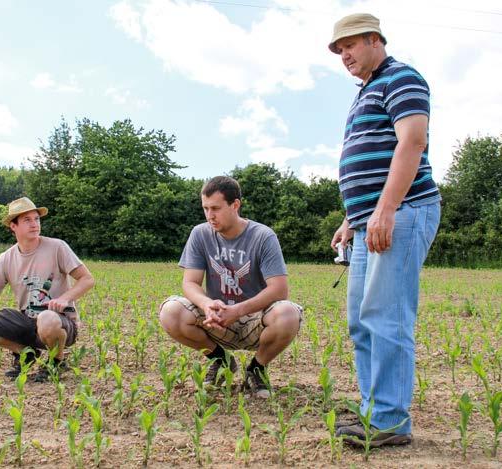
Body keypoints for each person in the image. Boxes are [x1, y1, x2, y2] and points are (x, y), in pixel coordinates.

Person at [327, 13, 441, 447]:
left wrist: (386, 208)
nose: (345, 56)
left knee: (386, 317)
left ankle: (390, 422)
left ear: (375, 40)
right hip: (370, 220)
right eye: (339, 51)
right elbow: (368, 161)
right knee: (361, 321)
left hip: (405, 209)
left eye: (351, 45)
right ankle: (373, 409)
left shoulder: (402, 77)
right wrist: (352, 219)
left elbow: (412, 142)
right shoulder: (364, 92)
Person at [159, 176, 303, 398]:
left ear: (235, 205)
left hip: (255, 320)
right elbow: (190, 283)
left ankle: (257, 369)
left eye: (215, 208)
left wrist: (238, 310)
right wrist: (207, 304)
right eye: (205, 208)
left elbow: (279, 289)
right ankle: (222, 361)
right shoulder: (200, 234)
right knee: (171, 312)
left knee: (288, 313)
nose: (209, 216)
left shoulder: (263, 236)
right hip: (216, 319)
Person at [0, 197, 95, 382]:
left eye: (36, 219)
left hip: (60, 322)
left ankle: (57, 362)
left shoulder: (57, 247)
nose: (34, 224)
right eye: (27, 220)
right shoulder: (6, 258)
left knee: (46, 317)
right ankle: (25, 353)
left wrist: (65, 299)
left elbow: (87, 279)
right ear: (13, 226)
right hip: (28, 322)